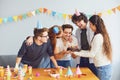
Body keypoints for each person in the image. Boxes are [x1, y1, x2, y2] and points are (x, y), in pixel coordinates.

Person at [72, 15, 112, 80]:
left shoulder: (98, 36)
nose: (89, 26)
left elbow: (91, 54)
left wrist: (76, 53)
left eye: (90, 24)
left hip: (101, 67)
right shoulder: (101, 34)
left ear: (95, 25)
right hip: (102, 66)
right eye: (76, 23)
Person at [71, 11, 97, 75]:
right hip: (82, 57)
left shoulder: (92, 29)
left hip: (91, 57)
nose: (78, 24)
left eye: (79, 22)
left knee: (92, 76)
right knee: (79, 75)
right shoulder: (77, 31)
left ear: (84, 20)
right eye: (76, 23)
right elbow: (78, 44)